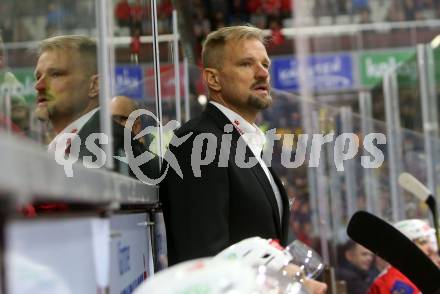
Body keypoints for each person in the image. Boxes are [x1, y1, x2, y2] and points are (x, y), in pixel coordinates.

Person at [160, 25, 326, 293]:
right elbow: (204, 261)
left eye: (265, 64)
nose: (263, 73)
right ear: (213, 80)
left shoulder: (241, 142)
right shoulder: (199, 142)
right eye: (246, 64)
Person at [34, 35, 157, 178]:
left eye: (55, 74)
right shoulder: (65, 145)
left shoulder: (109, 143)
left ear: (95, 85)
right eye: (38, 77)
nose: (39, 86)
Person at [367, 219, 439, 294]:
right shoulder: (394, 282)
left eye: (430, 241)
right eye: (422, 242)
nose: (431, 249)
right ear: (404, 246)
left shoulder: (424, 272)